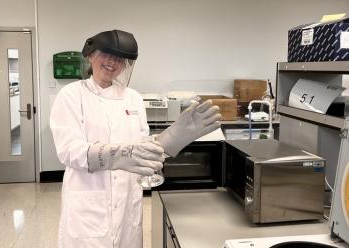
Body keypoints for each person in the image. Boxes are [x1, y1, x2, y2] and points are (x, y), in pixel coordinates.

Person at [50, 29, 221, 248]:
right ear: (91, 55)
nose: (113, 61)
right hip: (89, 207)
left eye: (120, 58)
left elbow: (143, 147)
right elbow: (69, 151)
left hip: (127, 203)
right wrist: (117, 156)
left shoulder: (133, 98)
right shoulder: (72, 94)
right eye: (106, 54)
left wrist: (173, 138)